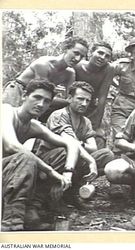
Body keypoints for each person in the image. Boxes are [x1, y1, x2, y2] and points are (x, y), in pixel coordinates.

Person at [2, 79, 79, 231]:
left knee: (60, 154)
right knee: (25, 157)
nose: (41, 104)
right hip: (5, 176)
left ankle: (30, 209)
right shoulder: (6, 111)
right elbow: (11, 145)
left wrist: (68, 172)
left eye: (46, 101)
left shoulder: (34, 126)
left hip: (8, 179)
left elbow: (71, 144)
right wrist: (52, 172)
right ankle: (11, 223)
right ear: (24, 95)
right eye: (36, 97)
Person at [37, 81, 114, 209]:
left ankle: (71, 191)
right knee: (65, 151)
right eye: (80, 99)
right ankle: (42, 196)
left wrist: (80, 144)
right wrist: (87, 155)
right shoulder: (59, 115)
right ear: (69, 98)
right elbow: (70, 144)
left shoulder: (86, 121)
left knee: (106, 155)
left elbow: (93, 147)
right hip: (51, 162)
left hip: (73, 161)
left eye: (87, 101)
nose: (84, 103)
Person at [2, 36, 89, 110]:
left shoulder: (70, 73)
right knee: (8, 120)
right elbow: (41, 92)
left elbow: (69, 98)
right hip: (18, 91)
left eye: (81, 56)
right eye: (76, 53)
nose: (77, 59)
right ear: (66, 49)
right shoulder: (43, 64)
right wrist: (67, 101)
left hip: (38, 98)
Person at [74, 42, 117, 148]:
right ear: (91, 53)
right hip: (74, 104)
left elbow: (102, 97)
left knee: (97, 137)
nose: (103, 57)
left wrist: (97, 125)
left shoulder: (108, 69)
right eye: (100, 53)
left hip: (91, 108)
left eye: (107, 56)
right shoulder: (78, 66)